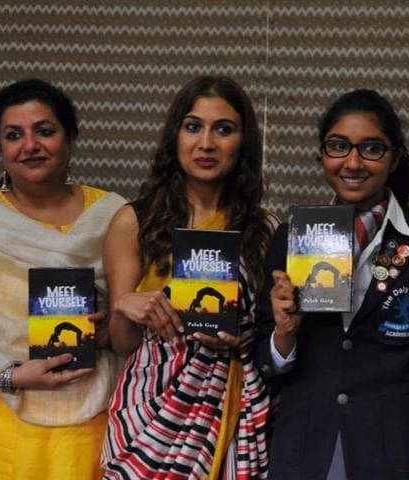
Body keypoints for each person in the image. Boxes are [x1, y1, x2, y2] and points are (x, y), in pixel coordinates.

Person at [255, 89, 409, 480]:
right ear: (322, 155)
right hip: (303, 449)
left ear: (394, 158)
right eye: (338, 147)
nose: (352, 162)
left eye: (371, 148)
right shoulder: (290, 239)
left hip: (388, 453)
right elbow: (268, 365)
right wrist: (284, 333)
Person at [102, 76, 278, 479]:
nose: (207, 143)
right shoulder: (135, 221)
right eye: (193, 126)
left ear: (242, 142)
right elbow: (125, 344)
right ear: (175, 136)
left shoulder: (264, 229)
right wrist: (125, 307)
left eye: (224, 129)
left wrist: (245, 337)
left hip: (236, 408)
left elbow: (276, 337)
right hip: (152, 414)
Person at [0, 79, 126, 479]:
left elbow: (136, 305)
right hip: (5, 413)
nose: (30, 145)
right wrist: (10, 375)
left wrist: (110, 331)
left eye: (44, 131)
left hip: (96, 414)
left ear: (71, 137)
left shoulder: (114, 215)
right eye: (14, 135)